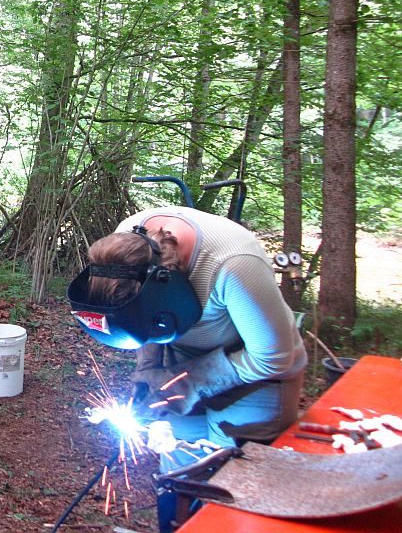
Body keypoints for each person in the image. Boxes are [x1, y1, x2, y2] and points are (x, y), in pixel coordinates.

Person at [67, 206, 307, 531]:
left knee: (232, 480)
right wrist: (148, 371)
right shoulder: (126, 245)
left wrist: (188, 383)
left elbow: (276, 357)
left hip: (259, 373)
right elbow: (142, 321)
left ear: (167, 286)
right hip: (181, 360)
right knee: (180, 469)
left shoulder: (233, 265)